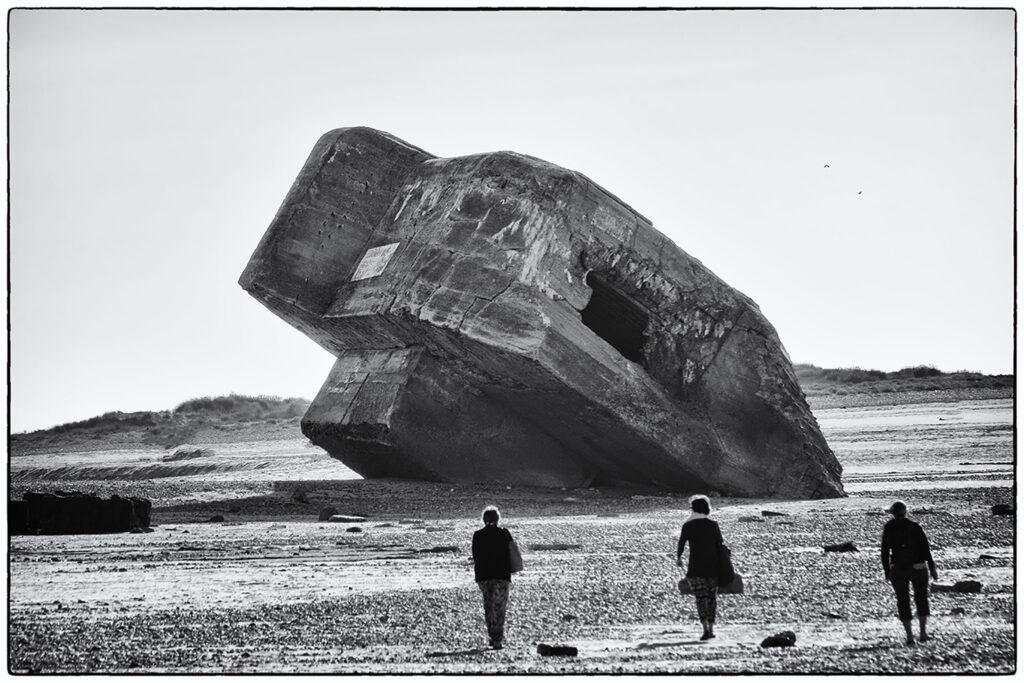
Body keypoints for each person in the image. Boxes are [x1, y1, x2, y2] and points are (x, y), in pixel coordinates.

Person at [881, 500, 939, 646]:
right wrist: (932, 567)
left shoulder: (889, 527)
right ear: (906, 511)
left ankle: (909, 637)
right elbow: (926, 549)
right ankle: (923, 633)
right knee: (921, 599)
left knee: (903, 601)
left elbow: (884, 552)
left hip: (898, 569)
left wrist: (887, 571)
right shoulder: (915, 527)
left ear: (892, 513)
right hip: (918, 568)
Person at [676, 494, 725, 640]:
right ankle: (711, 628)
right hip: (712, 567)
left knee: (700, 598)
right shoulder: (713, 525)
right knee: (711, 598)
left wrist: (679, 558)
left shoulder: (688, 526)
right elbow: (720, 544)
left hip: (695, 568)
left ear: (693, 509)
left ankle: (704, 628)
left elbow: (681, 543)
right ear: (707, 509)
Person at [472, 505, 515, 649]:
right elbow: (512, 552)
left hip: (484, 576)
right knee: (499, 608)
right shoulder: (504, 533)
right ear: (498, 519)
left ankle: (492, 636)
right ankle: (497, 640)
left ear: (483, 520)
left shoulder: (477, 535)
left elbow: (476, 556)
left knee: (488, 606)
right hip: (501, 575)